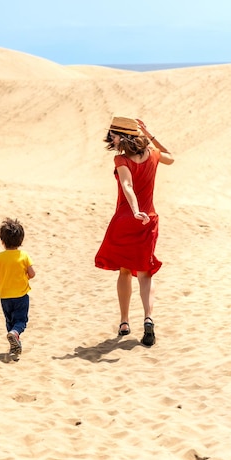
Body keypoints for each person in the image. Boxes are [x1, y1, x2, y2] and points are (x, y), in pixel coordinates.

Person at [95, 116, 174, 347]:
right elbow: (172, 157)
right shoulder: (153, 154)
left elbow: (127, 185)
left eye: (114, 134)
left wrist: (134, 209)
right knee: (145, 272)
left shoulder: (121, 159)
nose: (111, 138)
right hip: (148, 219)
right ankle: (148, 318)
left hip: (127, 218)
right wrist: (150, 136)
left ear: (123, 136)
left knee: (124, 271)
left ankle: (124, 321)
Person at [0, 217, 36, 357]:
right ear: (21, 241)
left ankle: (14, 345)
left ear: (3, 241)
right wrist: (26, 277)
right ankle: (14, 335)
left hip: (5, 297)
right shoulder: (24, 256)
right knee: (21, 321)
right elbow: (32, 273)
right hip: (21, 296)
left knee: (10, 321)